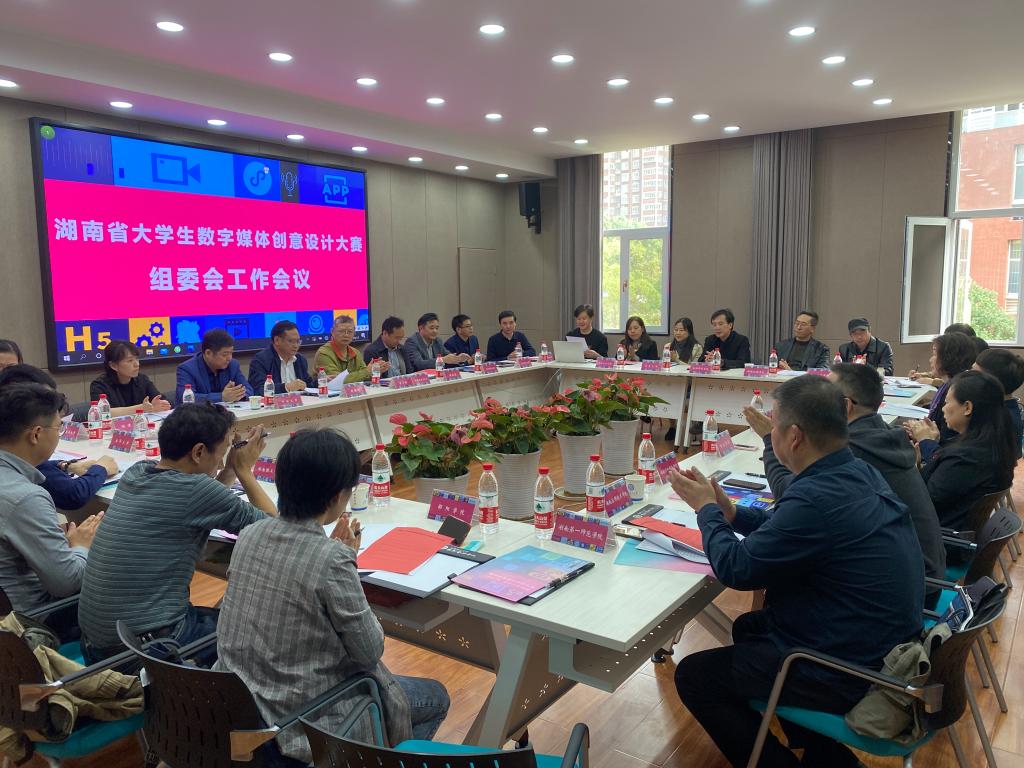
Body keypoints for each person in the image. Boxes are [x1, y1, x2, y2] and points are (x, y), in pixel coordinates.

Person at [671, 375, 923, 768]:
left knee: (695, 676)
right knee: (750, 628)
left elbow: (737, 569)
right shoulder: (857, 471)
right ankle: (825, 755)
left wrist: (706, 510)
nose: (769, 434)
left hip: (851, 669)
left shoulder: (815, 496)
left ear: (793, 436)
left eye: (772, 425)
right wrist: (731, 513)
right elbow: (789, 528)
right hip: (882, 643)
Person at [216, 429, 450, 763]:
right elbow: (369, 651)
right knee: (435, 697)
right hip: (303, 718)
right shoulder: (332, 559)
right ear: (339, 496)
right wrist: (345, 562)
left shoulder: (251, 534)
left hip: (246, 706)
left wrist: (337, 558)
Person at [77, 403, 277, 662]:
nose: (222, 460)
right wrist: (244, 470)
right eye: (223, 451)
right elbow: (275, 529)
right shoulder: (196, 490)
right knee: (264, 633)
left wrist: (228, 469)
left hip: (98, 645)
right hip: (147, 652)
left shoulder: (137, 473)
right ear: (199, 452)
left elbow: (200, 501)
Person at [744, 363, 945, 608]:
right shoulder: (881, 434)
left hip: (905, 592)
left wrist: (773, 440)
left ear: (845, 406)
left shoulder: (853, 450)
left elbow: (787, 492)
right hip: (916, 575)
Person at [0, 384, 103, 617]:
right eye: (59, 427)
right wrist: (80, 546)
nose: (59, 434)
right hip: (30, 621)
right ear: (36, 434)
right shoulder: (26, 497)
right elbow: (67, 583)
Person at [0, 364, 118, 510]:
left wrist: (67, 466)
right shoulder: (28, 497)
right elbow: (73, 495)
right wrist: (101, 468)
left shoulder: (13, 452)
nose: (55, 406)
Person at [912, 371, 1016, 530]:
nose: (943, 409)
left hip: (933, 536)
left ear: (967, 407)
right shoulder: (992, 443)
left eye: (947, 403)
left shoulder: (968, 457)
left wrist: (912, 468)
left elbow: (923, 501)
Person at [905, 332, 977, 452]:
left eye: (934, 354)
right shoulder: (949, 383)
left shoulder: (955, 389)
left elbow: (945, 437)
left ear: (948, 357)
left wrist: (923, 436)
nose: (930, 359)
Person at [90, 340, 171, 416]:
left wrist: (161, 405)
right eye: (130, 360)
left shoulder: (142, 380)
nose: (137, 364)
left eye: (136, 359)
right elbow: (102, 412)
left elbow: (160, 401)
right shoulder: (99, 385)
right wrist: (141, 408)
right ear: (113, 365)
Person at [175, 329, 252, 405]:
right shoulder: (187, 369)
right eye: (225, 354)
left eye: (231, 353)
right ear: (208, 353)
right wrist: (221, 397)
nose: (229, 358)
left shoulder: (233, 365)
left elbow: (248, 389)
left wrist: (237, 394)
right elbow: (186, 398)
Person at [973, 348, 1024, 456]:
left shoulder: (999, 420)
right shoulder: (997, 408)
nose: (966, 379)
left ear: (992, 382)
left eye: (974, 375)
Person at [248, 320, 316, 394]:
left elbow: (309, 384)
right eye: (291, 341)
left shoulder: (300, 360)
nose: (296, 346)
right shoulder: (261, 361)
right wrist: (286, 387)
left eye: (298, 341)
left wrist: (317, 382)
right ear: (277, 340)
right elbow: (258, 390)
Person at [404, 313, 469, 371]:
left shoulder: (437, 341)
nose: (435, 331)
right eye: (431, 328)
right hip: (420, 378)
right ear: (421, 328)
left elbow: (447, 355)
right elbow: (419, 364)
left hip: (437, 376)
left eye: (437, 328)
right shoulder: (412, 342)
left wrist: (458, 358)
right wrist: (442, 360)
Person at [315, 316, 370, 383]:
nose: (346, 335)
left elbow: (366, 375)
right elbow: (337, 381)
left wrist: (375, 368)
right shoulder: (323, 353)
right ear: (332, 331)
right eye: (341, 331)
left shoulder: (355, 352)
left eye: (350, 332)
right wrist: (366, 372)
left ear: (354, 333)